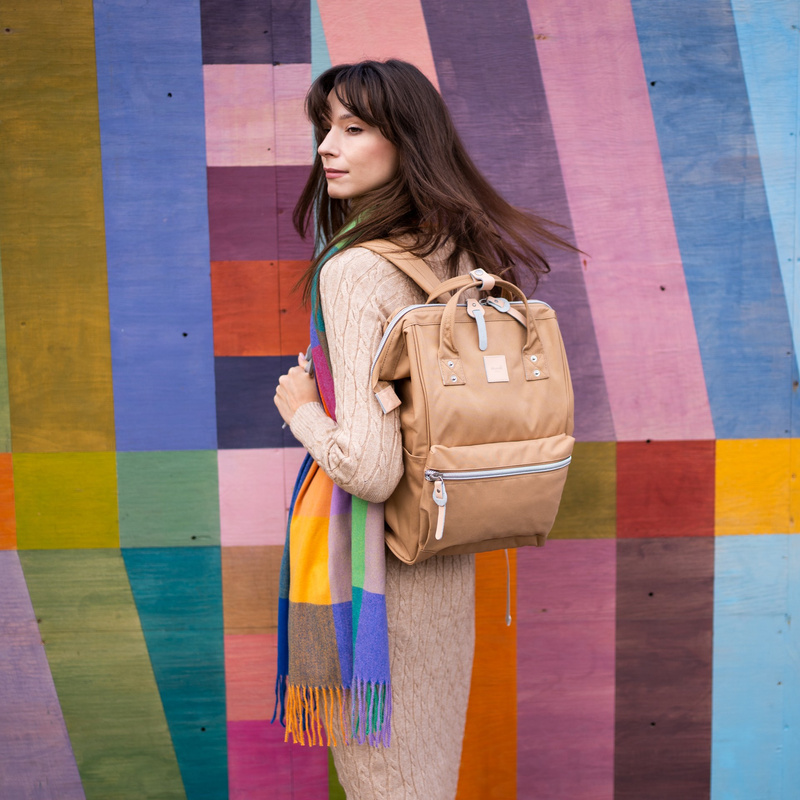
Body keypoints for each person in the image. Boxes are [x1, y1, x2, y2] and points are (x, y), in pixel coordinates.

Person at [273, 59, 570, 800]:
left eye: (353, 128)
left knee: (391, 785)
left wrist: (300, 407)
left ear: (406, 140)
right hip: (442, 554)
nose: (326, 150)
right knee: (427, 778)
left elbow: (370, 471)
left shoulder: (355, 271)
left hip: (376, 579)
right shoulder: (454, 256)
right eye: (325, 129)